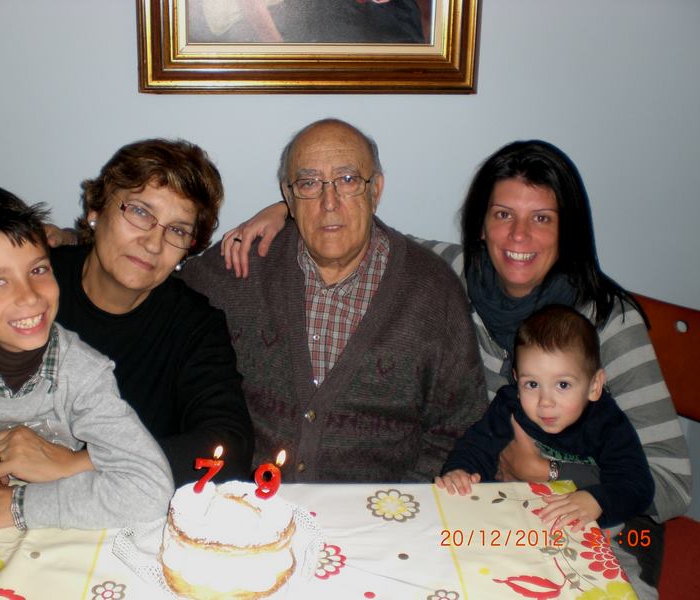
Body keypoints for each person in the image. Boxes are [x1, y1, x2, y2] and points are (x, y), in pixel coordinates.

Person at [220, 138, 691, 595]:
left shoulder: (607, 321)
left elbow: (672, 480)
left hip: (606, 527)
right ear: (480, 225)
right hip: (489, 517)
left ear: (566, 230)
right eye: (503, 215)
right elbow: (356, 230)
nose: (519, 236)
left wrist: (548, 474)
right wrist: (285, 211)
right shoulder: (452, 274)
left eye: (541, 218)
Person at [0, 139, 254, 487]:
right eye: (139, 212)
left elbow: (230, 448)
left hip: (115, 507)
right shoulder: (27, 284)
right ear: (95, 211)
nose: (153, 243)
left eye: (177, 230)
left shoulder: (194, 325)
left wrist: (78, 463)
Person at [0, 184, 173, 598]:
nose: (28, 295)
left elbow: (149, 486)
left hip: (34, 538)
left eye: (38, 270)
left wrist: (17, 506)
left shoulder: (84, 374)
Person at [179, 118, 488, 482]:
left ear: (376, 190)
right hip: (251, 504)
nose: (329, 203)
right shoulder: (243, 264)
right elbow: (153, 294)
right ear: (289, 197)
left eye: (348, 180)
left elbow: (460, 429)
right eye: (309, 184)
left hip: (384, 507)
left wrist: (398, 502)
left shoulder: (433, 290)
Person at [436, 304, 655, 531]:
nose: (545, 402)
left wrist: (597, 501)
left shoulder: (607, 424)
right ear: (516, 379)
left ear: (594, 386)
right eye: (532, 384)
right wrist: (460, 471)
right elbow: (476, 447)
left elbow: (638, 486)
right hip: (510, 519)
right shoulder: (509, 407)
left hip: (578, 529)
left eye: (563, 385)